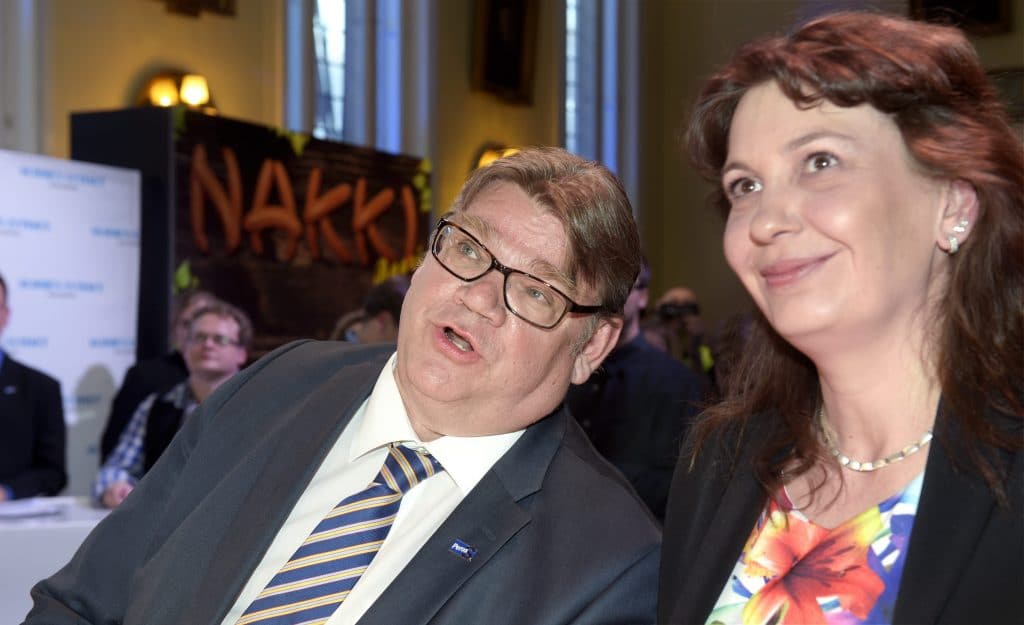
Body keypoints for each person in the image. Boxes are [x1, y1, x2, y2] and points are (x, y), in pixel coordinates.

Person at [25, 147, 660, 625]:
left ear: (591, 347)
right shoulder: (277, 385)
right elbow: (81, 603)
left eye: (536, 290)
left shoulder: (610, 566)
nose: (479, 298)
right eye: (469, 249)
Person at [659, 12, 1022, 625]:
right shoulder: (719, 460)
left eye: (820, 162)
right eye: (745, 186)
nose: (767, 220)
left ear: (953, 204)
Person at [566, 257, 705, 521]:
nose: (611, 295)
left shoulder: (676, 382)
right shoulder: (564, 369)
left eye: (624, 284)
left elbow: (683, 484)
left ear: (643, 297)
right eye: (603, 282)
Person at [94, 302, 251, 508]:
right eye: (199, 337)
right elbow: (117, 467)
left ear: (241, 353)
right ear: (185, 348)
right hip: (163, 519)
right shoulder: (155, 405)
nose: (208, 345)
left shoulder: (258, 406)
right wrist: (114, 487)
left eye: (220, 339)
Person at [99, 289, 219, 461]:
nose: (196, 332)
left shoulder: (236, 381)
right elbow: (115, 448)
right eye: (187, 324)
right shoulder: (145, 376)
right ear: (174, 329)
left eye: (204, 323)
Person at [0, 272, 66, 500]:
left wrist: (6, 492)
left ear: (5, 315)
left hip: (11, 516)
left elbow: (53, 473)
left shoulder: (42, 389)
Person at [643, 285, 715, 387]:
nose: (679, 311)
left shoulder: (704, 348)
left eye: (687, 306)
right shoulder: (649, 340)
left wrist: (696, 346)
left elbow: (706, 386)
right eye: (673, 304)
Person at [329, 274, 411, 344]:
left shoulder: (344, 346)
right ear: (383, 321)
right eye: (405, 333)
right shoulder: (343, 352)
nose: (407, 344)